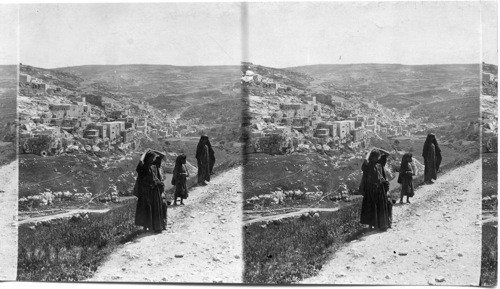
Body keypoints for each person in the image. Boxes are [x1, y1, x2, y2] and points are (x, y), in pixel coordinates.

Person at [360, 149, 391, 231]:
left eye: (378, 157)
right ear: (372, 157)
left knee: (378, 207)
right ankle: (371, 226)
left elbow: (387, 153)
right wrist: (369, 152)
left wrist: (378, 149)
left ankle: (377, 224)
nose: (378, 158)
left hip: (379, 189)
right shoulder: (367, 165)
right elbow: (365, 159)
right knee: (371, 207)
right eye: (377, 157)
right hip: (370, 189)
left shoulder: (379, 164)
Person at [134, 150, 165, 233]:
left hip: (153, 191)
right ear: (147, 158)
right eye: (151, 158)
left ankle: (152, 226)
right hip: (146, 191)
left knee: (152, 208)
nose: (152, 160)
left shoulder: (153, 166)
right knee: (146, 208)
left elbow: (162, 155)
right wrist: (145, 152)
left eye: (153, 158)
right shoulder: (143, 167)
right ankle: (146, 227)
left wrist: (153, 151)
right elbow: (141, 161)